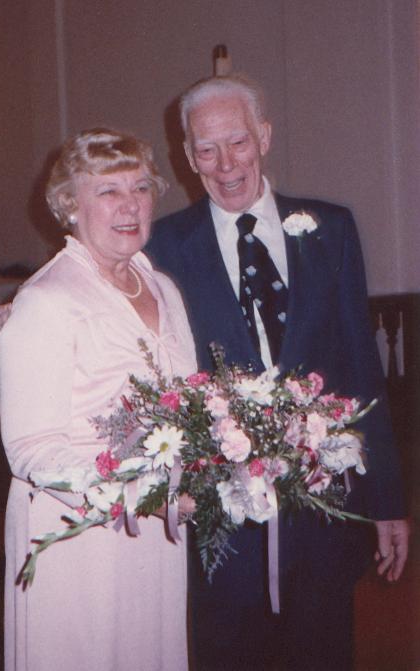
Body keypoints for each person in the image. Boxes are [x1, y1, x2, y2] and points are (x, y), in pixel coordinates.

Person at [146, 74, 411, 670]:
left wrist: (388, 499)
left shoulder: (331, 229)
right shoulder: (163, 246)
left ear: (264, 137)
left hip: (321, 514)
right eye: (206, 149)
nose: (225, 164)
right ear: (187, 156)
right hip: (222, 528)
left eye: (238, 142)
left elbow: (362, 370)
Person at [0, 128, 197, 671]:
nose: (130, 205)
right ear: (70, 204)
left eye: (141, 188)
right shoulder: (46, 299)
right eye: (108, 190)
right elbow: (32, 450)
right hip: (78, 534)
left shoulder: (163, 289)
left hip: (156, 532)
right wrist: (137, 495)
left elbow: (188, 406)